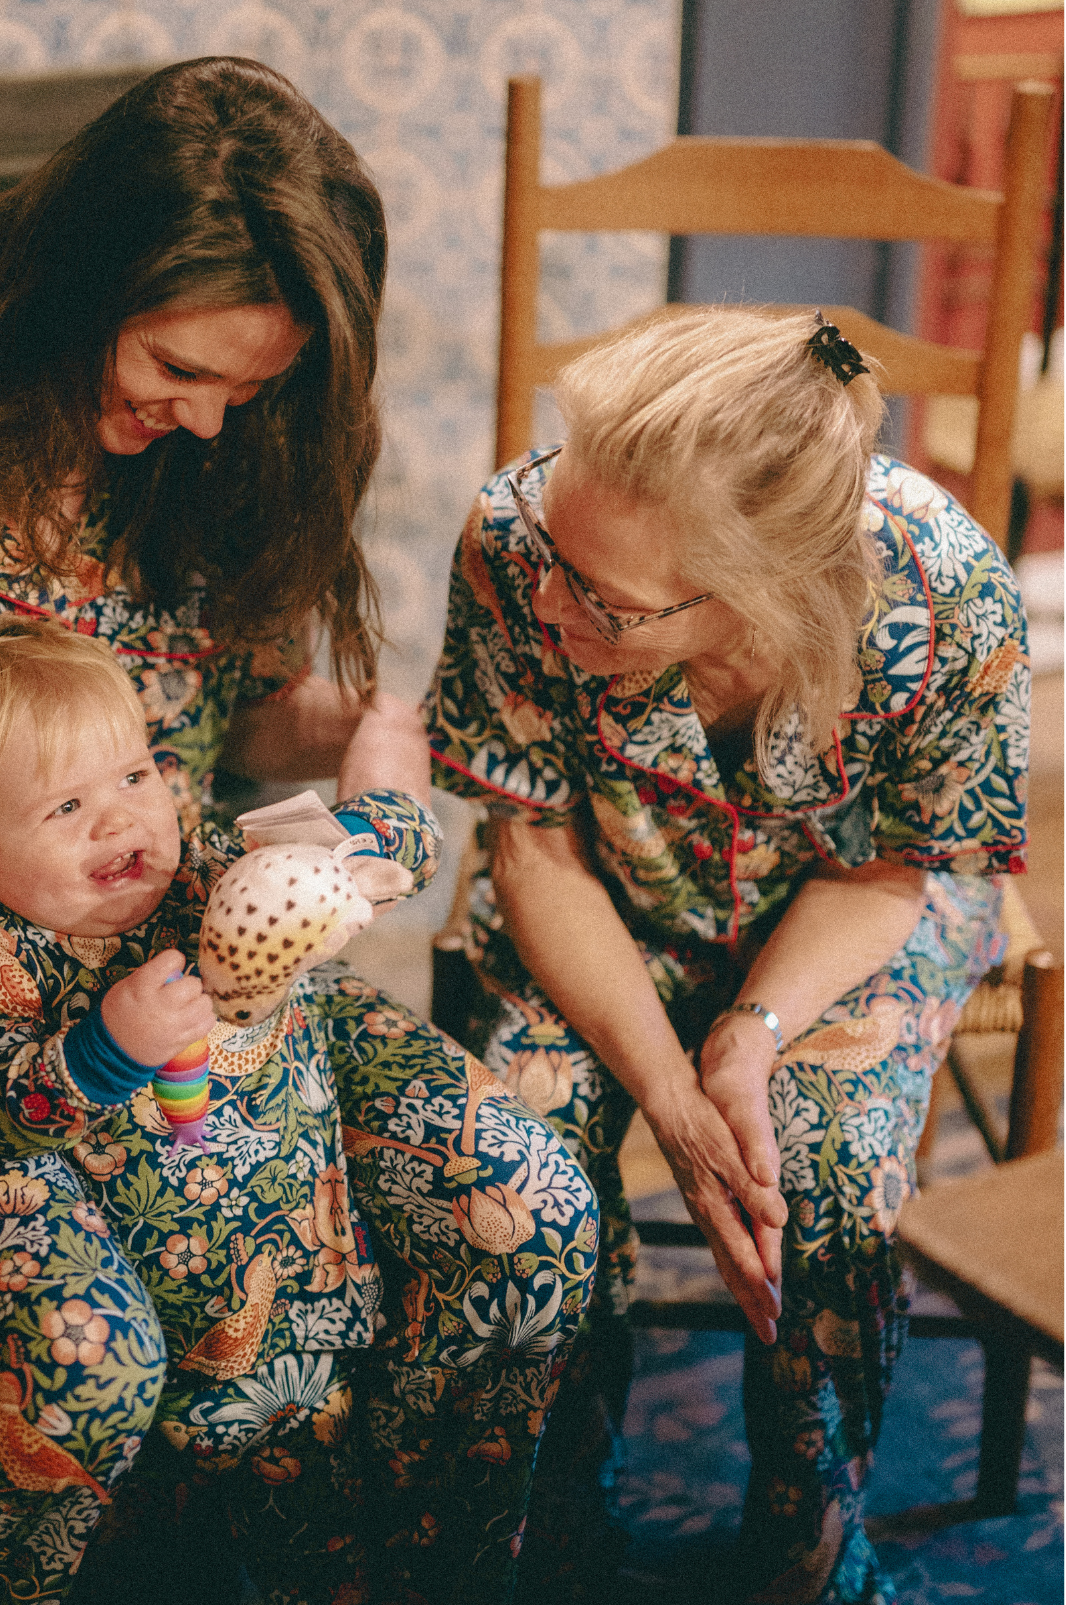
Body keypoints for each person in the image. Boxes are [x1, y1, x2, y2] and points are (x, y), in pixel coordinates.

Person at [0, 57, 595, 1604]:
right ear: (82, 282)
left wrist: (357, 730)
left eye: (246, 388)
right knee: (86, 1364)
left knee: (532, 1213)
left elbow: (237, 717)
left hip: (195, 969)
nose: (204, 418)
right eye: (178, 367)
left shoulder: (219, 443)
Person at [425, 307, 1028, 1604]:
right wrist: (672, 1090)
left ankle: (803, 1548)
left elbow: (891, 869)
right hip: (596, 897)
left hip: (850, 916)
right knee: (515, 1175)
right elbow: (535, 849)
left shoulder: (944, 591)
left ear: (758, 592)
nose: (548, 598)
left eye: (602, 598)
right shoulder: (521, 539)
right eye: (555, 556)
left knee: (827, 1177)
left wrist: (746, 1041)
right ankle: (549, 1531)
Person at [0, 614, 583, 1599]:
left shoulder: (207, 870)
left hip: (315, 1287)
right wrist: (105, 1049)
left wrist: (358, 840)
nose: (117, 820)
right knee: (190, 1556)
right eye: (65, 805)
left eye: (133, 776)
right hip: (181, 1333)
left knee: (324, 1537)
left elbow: (388, 842)